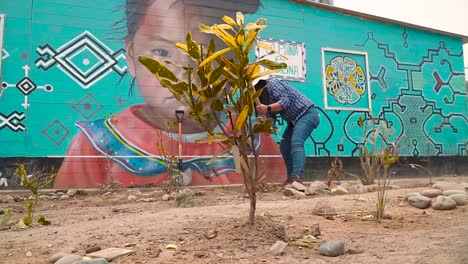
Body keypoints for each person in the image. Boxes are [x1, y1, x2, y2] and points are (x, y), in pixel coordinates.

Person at [54, 0, 286, 188]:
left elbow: (273, 187)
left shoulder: (251, 138)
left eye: (207, 56)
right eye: (162, 51)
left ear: (235, 63)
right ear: (131, 55)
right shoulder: (98, 144)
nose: (184, 74)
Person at [255, 78, 320, 184]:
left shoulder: (272, 84)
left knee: (297, 142)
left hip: (307, 113)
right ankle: (291, 179)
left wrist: (267, 108)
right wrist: (266, 126)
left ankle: (297, 176)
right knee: (285, 147)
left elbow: (284, 102)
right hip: (294, 120)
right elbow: (270, 118)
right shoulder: (264, 98)